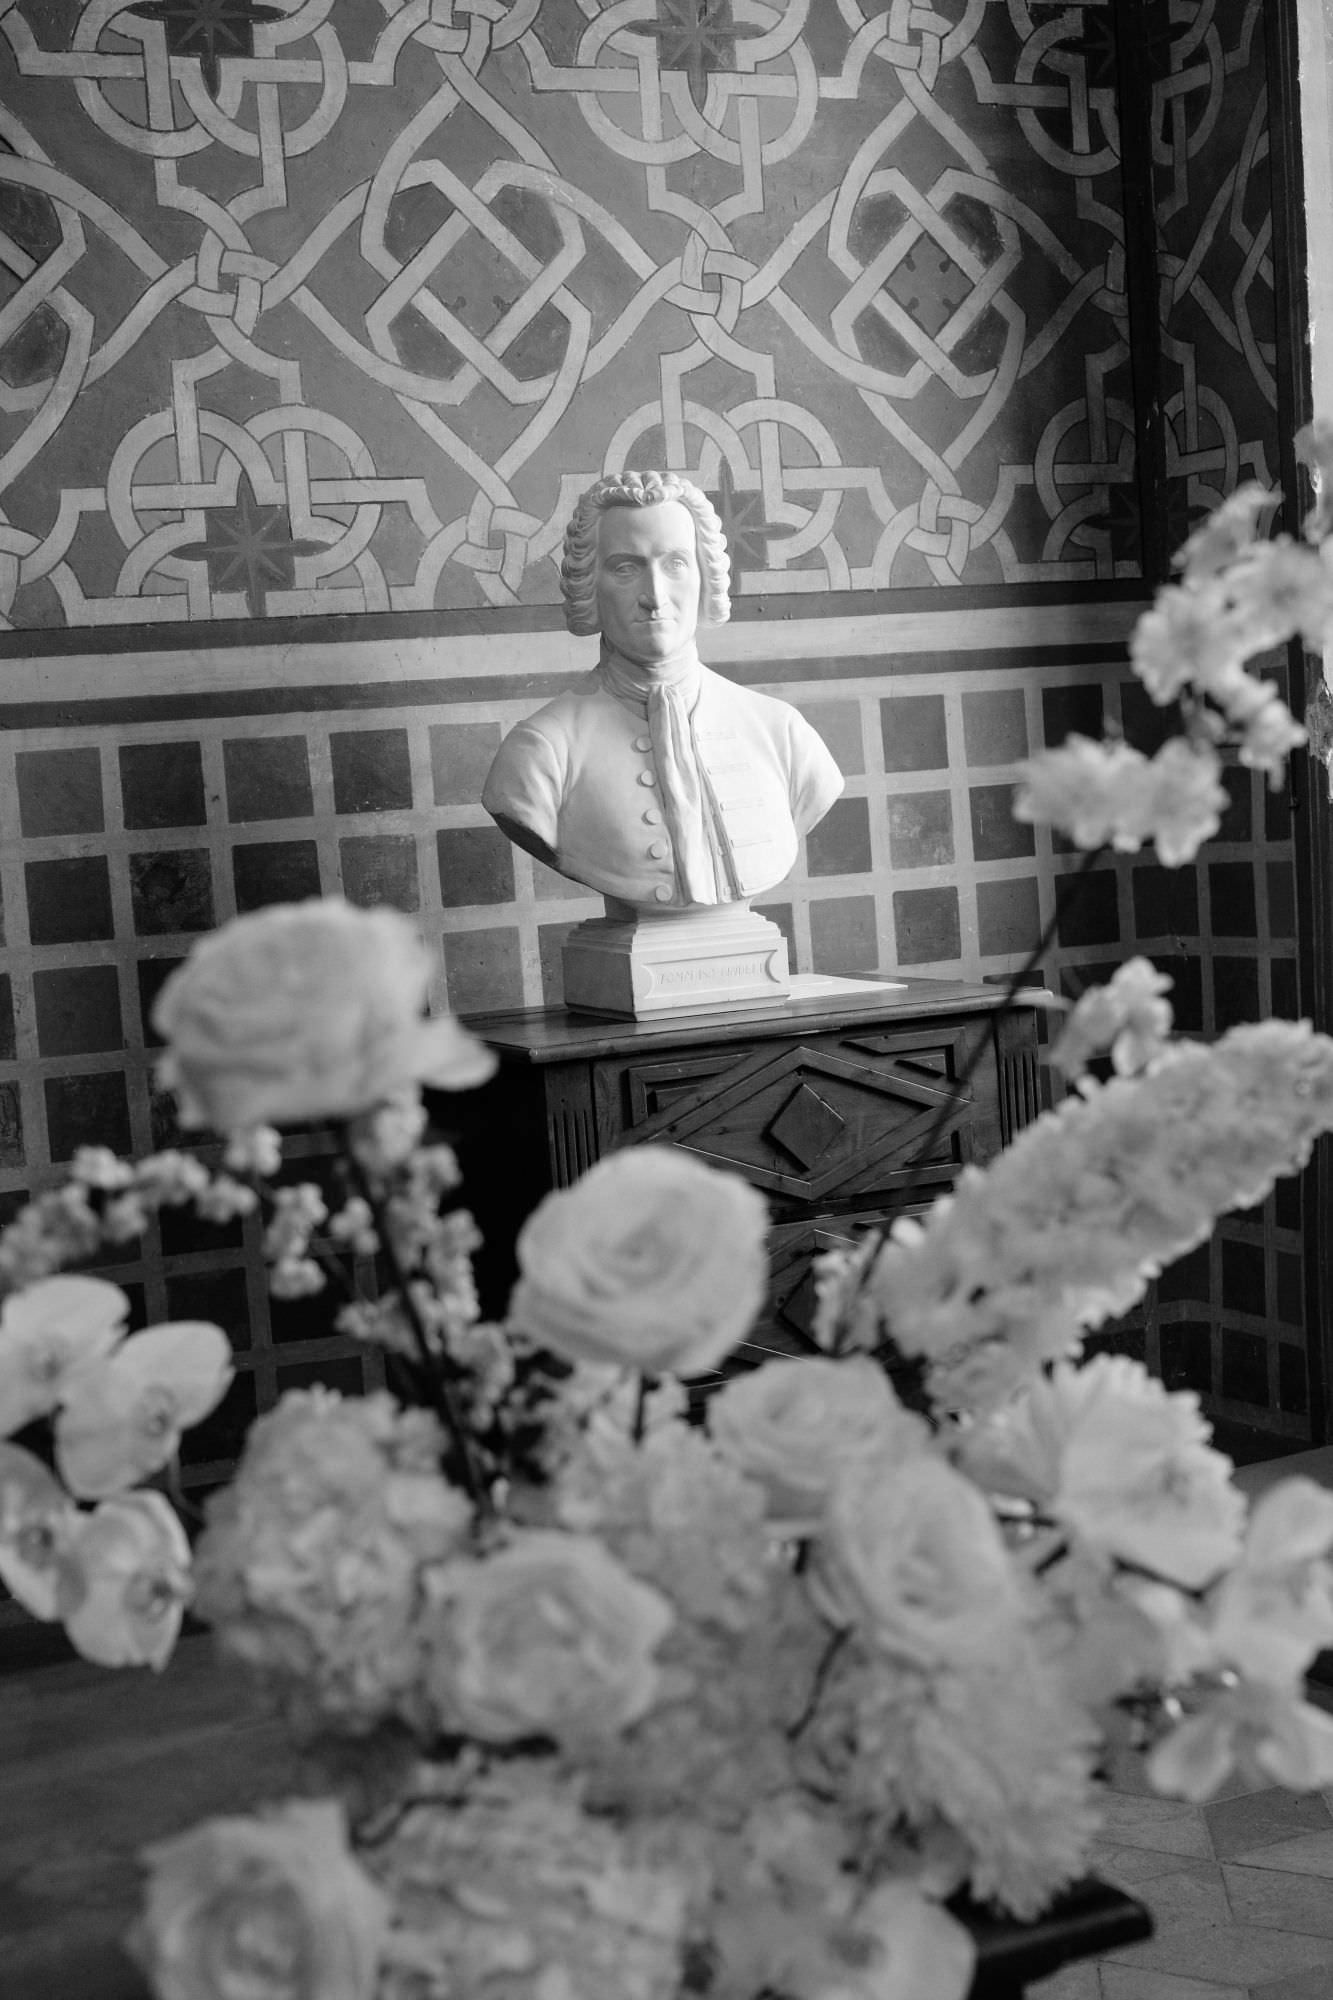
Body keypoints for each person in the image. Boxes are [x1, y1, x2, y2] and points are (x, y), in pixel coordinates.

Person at [482, 470, 844, 911]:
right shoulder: (540, 753)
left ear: (705, 577)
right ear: (589, 585)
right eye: (626, 568)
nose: (654, 595)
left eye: (675, 564)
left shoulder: (783, 734)